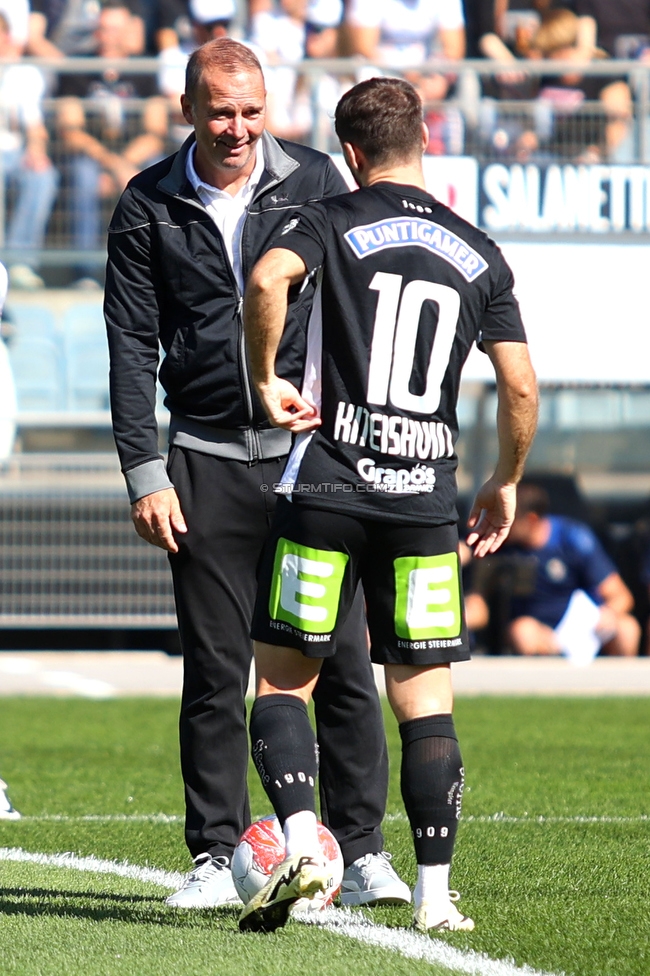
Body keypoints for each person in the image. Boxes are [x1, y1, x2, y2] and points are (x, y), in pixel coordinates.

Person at [105, 37, 408, 911]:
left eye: (251, 111)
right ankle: (212, 855)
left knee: (344, 658)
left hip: (314, 464)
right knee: (213, 668)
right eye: (220, 112)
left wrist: (361, 439)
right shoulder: (147, 205)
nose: (237, 129)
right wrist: (143, 468)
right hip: (200, 458)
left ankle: (361, 851)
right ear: (190, 111)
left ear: (267, 109)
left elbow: (361, 309)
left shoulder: (317, 180)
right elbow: (131, 346)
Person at [238, 75, 538, 933]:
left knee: (284, 683)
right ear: (425, 144)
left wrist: (266, 382)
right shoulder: (479, 250)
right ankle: (437, 897)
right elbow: (519, 382)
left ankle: (302, 842)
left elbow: (266, 284)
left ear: (351, 154)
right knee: (425, 701)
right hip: (423, 507)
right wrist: (504, 479)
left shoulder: (329, 219)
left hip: (328, 486)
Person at [56, 0, 167, 286]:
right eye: (104, 28)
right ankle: (85, 271)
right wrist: (114, 166)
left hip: (135, 157)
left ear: (129, 30)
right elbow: (71, 130)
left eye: (116, 29)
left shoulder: (144, 67)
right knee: (83, 177)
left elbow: (155, 130)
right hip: (92, 157)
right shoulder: (77, 68)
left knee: (156, 171)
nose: (110, 35)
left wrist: (126, 167)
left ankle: (155, 267)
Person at [504, 482, 641, 663]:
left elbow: (621, 596)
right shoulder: (504, 545)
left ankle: (622, 687)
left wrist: (609, 614)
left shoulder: (572, 538)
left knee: (627, 628)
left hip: (587, 630)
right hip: (544, 633)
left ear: (531, 519)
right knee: (522, 631)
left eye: (510, 520)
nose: (504, 526)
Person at [0, 12, 59, 291]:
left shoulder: (23, 74)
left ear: (8, 37)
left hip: (13, 153)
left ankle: (19, 261)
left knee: (42, 176)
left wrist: (37, 150)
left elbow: (35, 125)